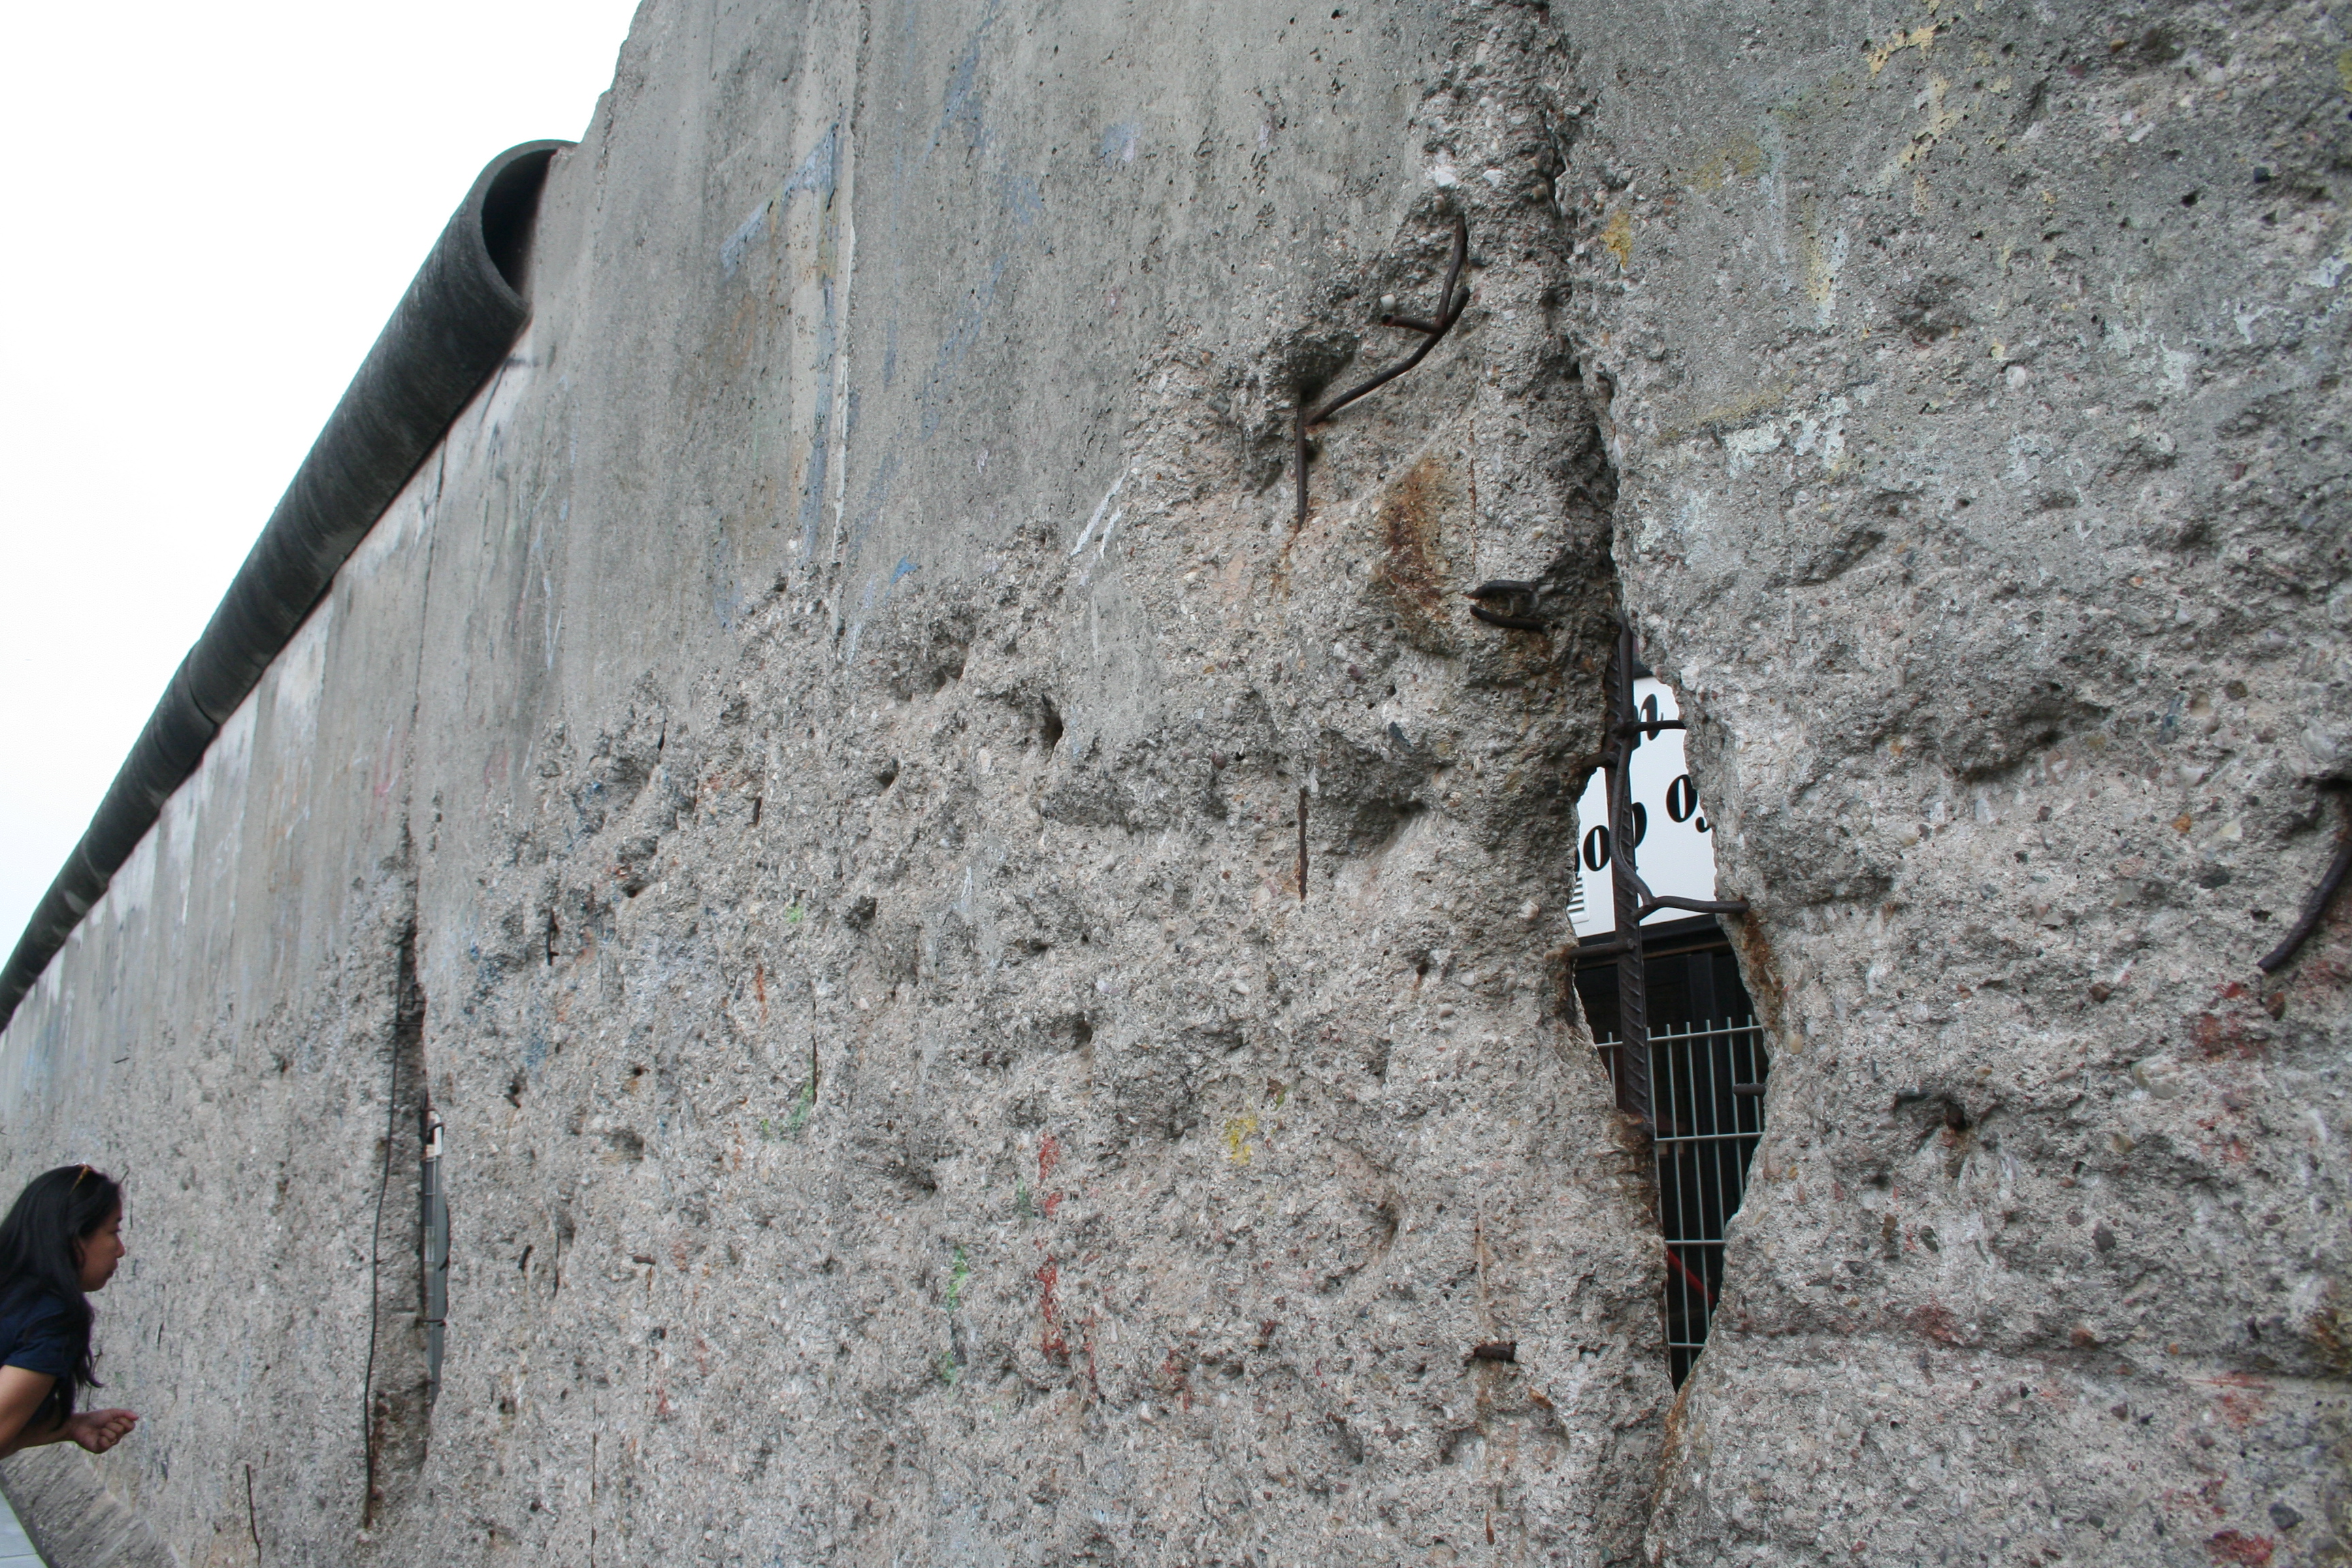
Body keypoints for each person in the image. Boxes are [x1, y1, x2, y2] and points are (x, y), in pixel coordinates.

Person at [0, 1166, 137, 1458]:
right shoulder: (51, 1319)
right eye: (113, 1231)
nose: (120, 1250)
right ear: (75, 1236)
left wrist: (67, 1427)